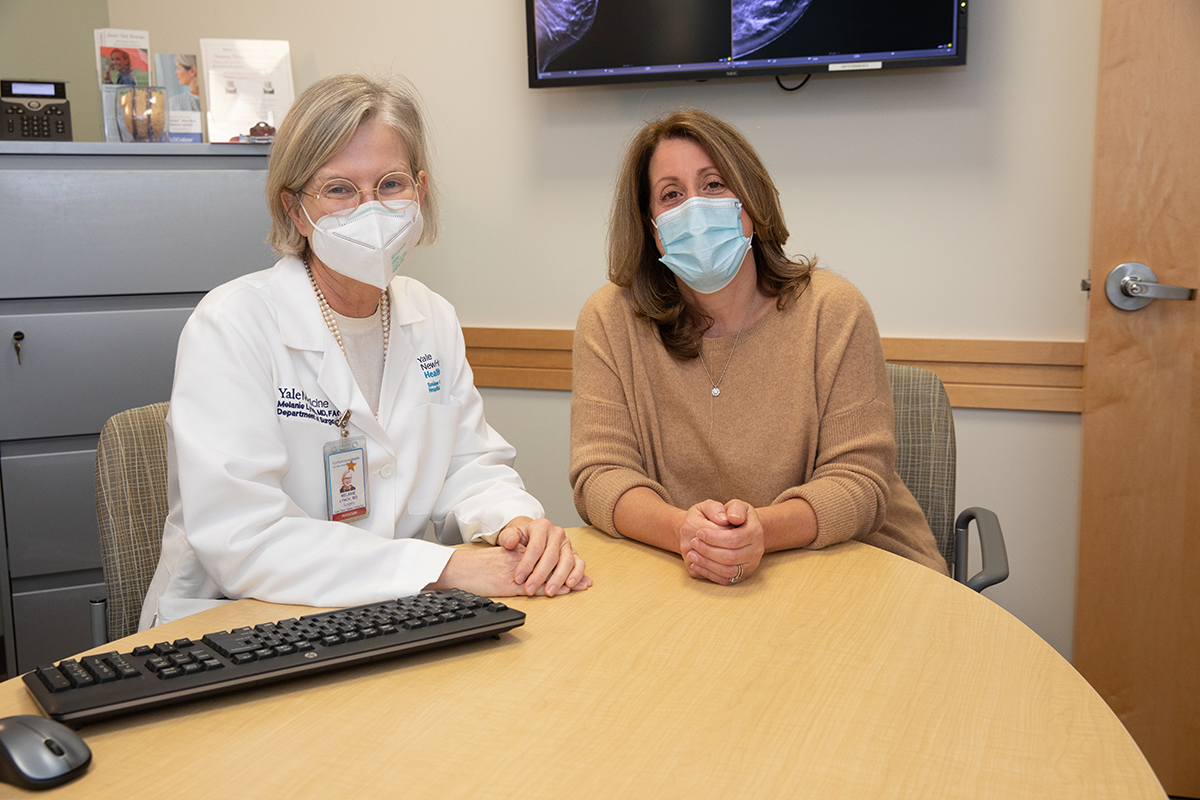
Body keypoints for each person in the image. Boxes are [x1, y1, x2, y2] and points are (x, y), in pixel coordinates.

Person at [140, 73, 589, 629]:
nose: (370, 210)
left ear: (419, 191)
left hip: (383, 616)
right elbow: (244, 538)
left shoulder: (431, 318)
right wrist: (445, 568)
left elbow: (468, 465)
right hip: (234, 625)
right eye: (339, 190)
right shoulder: (232, 324)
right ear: (294, 209)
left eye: (391, 184)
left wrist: (511, 524)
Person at [569, 109, 946, 586]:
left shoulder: (833, 310)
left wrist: (759, 531)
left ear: (750, 201)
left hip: (855, 568)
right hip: (686, 576)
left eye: (713, 185)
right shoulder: (609, 319)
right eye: (671, 195)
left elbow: (859, 483)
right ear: (650, 227)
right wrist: (687, 533)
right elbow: (600, 476)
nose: (695, 208)